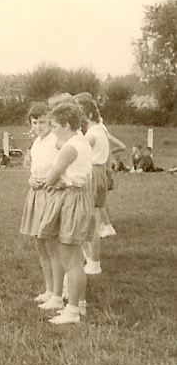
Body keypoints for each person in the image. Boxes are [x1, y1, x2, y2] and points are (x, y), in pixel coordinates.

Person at [38, 101, 93, 324]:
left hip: (73, 198)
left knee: (71, 258)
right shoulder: (79, 142)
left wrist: (47, 180)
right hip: (76, 196)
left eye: (55, 126)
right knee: (73, 255)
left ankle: (72, 311)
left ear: (67, 125)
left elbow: (51, 177)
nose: (53, 130)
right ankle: (77, 305)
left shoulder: (71, 147)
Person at [19, 102, 60, 305]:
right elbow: (33, 170)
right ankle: (49, 289)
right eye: (35, 122)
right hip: (36, 194)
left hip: (51, 194)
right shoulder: (37, 143)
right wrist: (31, 180)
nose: (38, 126)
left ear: (51, 121)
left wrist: (51, 181)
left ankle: (58, 293)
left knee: (52, 245)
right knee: (40, 244)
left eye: (43, 122)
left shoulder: (57, 141)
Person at [75, 93, 108, 276]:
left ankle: (93, 261)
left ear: (88, 115)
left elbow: (77, 150)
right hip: (100, 171)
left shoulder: (92, 135)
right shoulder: (101, 129)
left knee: (90, 219)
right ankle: (91, 259)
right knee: (92, 216)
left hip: (93, 173)